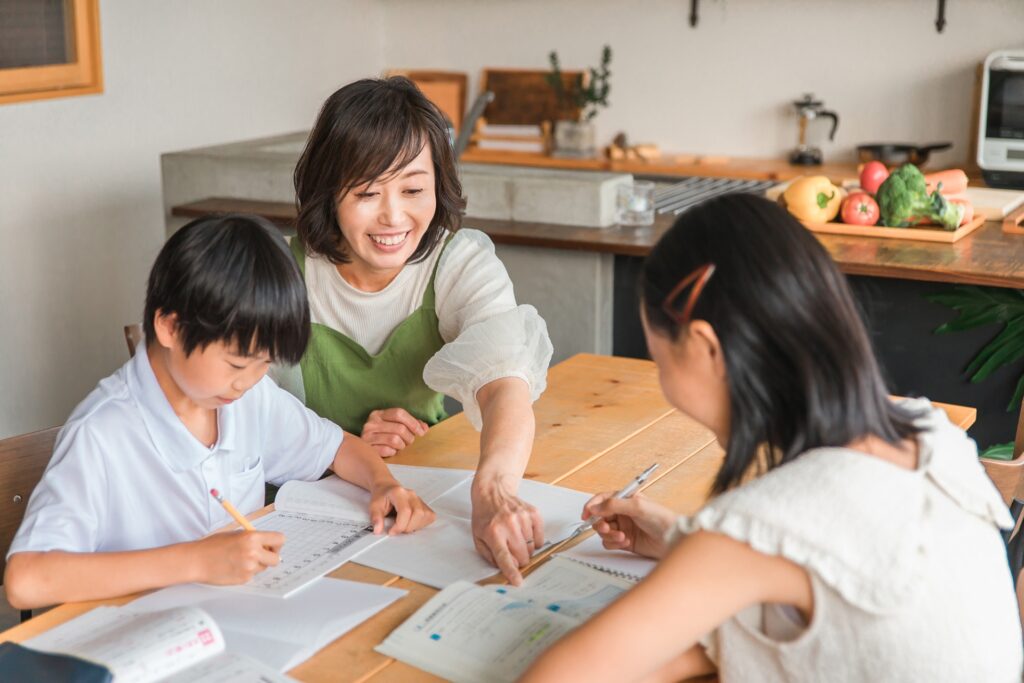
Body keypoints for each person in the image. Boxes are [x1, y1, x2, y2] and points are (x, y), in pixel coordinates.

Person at [521, 194, 1023, 682]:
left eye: (659, 359)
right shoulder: (928, 432)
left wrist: (703, 549)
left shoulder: (760, 525)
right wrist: (681, 541)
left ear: (703, 347)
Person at [4, 215, 435, 610]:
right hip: (143, 636)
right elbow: (26, 580)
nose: (248, 380)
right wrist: (195, 561)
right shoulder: (102, 433)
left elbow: (336, 447)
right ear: (170, 327)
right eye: (235, 364)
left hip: (239, 616)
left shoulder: (246, 398)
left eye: (265, 362)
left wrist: (382, 484)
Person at [286, 77, 552, 584]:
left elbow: (505, 386)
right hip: (308, 525)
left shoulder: (458, 262)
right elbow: (245, 421)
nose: (393, 216)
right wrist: (346, 447)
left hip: (417, 510)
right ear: (328, 194)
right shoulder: (281, 274)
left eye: (413, 189)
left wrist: (492, 490)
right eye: (367, 192)